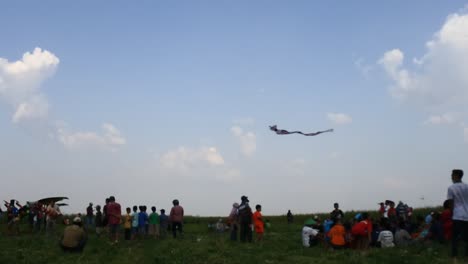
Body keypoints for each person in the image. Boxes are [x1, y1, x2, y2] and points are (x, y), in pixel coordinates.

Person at [447, 169, 468, 258]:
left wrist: (451, 213)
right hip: (467, 215)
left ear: (456, 176)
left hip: (457, 215)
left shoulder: (451, 188)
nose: (451, 177)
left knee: (455, 237)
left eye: (452, 175)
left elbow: (451, 202)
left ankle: (454, 256)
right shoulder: (467, 186)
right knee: (467, 237)